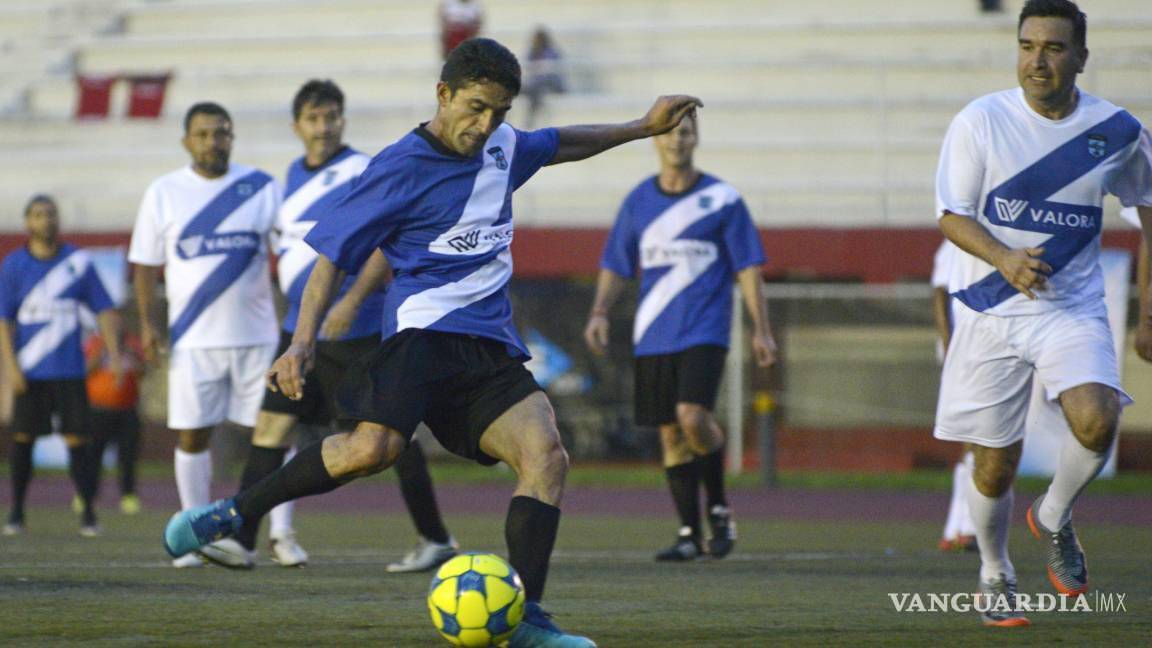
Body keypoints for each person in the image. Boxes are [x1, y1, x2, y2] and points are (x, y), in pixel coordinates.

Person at [165, 37, 700, 647]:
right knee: (373, 450)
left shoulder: (501, 144)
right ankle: (236, 513)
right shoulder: (397, 167)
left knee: (546, 456)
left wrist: (641, 127)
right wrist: (300, 342)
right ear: (443, 94)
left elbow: (559, 143)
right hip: (422, 334)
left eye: (499, 112)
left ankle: (526, 620)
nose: (486, 124)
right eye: (475, 107)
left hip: (490, 346)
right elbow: (330, 258)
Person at [933, 0, 1152, 627]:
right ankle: (995, 572)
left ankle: (1054, 514)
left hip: (1071, 308)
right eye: (1028, 46)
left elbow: (1148, 208)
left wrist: (1148, 311)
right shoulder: (981, 120)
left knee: (1097, 419)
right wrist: (1004, 257)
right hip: (988, 309)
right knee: (993, 463)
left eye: (1054, 48)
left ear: (1081, 57)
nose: (1038, 60)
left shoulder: (1118, 131)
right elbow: (952, 214)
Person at [228, 79, 458, 572]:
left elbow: (385, 240)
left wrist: (351, 300)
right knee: (270, 427)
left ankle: (435, 538)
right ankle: (240, 539)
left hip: (360, 333)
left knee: (390, 438)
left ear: (342, 121)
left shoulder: (361, 168)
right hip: (303, 332)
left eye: (331, 116)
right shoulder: (290, 177)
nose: (323, 127)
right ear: (296, 126)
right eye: (313, 118)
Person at [582, 113, 776, 562]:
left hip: (705, 330)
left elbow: (748, 268)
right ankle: (689, 532)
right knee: (670, 434)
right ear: (655, 140)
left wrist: (760, 330)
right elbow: (616, 264)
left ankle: (721, 509)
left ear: (696, 138)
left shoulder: (722, 199)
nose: (677, 139)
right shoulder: (637, 202)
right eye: (669, 131)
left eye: (686, 131)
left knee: (692, 416)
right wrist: (598, 313)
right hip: (654, 333)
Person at [130, 102, 282, 569]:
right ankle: (194, 533)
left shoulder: (261, 187)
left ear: (232, 138)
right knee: (193, 436)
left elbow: (292, 251)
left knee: (275, 434)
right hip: (193, 339)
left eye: (222, 133)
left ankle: (281, 533)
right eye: (203, 134)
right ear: (186, 141)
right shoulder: (164, 192)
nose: (213, 141)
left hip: (258, 337)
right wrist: (148, 324)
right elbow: (144, 264)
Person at [0, 194, 122, 537]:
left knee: (77, 442)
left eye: (51, 214)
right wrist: (10, 369)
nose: (46, 220)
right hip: (30, 371)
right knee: (23, 441)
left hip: (70, 371)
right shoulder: (13, 265)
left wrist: (112, 353)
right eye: (38, 215)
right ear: (27, 222)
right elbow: (4, 322)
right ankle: (17, 513)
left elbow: (104, 310)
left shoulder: (78, 262)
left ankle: (88, 514)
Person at [930, 240, 977, 553]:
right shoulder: (953, 245)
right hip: (969, 348)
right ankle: (965, 526)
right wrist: (950, 346)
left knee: (975, 439)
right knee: (978, 436)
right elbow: (939, 295)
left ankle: (958, 526)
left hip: (990, 344)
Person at [84, 325, 146, 515]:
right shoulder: (95, 342)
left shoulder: (133, 343)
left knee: (127, 456)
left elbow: (143, 372)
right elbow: (86, 370)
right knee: (93, 456)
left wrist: (129, 352)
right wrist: (104, 349)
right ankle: (87, 495)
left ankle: (128, 495)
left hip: (127, 410)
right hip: (98, 410)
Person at [522, 27, 566, 129]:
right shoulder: (532, 53)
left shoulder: (552, 52)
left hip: (552, 84)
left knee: (536, 88)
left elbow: (550, 71)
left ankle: (530, 122)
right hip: (536, 85)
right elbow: (528, 69)